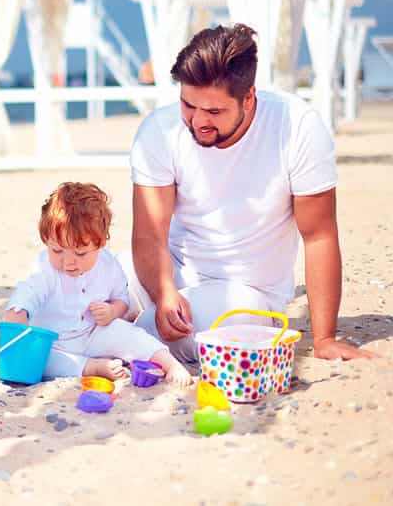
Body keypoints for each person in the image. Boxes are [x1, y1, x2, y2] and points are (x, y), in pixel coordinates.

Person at [127, 23, 376, 363]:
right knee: (78, 282)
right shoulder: (159, 129)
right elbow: (149, 235)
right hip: (167, 273)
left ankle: (119, 334)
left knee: (141, 333)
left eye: (214, 111)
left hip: (246, 297)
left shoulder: (298, 129)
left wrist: (325, 339)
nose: (198, 121)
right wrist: (164, 291)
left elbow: (319, 236)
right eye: (188, 105)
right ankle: (118, 330)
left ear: (249, 97)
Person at [2, 182, 193, 386]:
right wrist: (18, 312)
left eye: (80, 253)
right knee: (40, 359)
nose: (68, 262)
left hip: (93, 333)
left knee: (128, 333)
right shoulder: (45, 269)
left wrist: (112, 311)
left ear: (100, 243)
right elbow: (29, 290)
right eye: (57, 250)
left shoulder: (108, 265)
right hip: (54, 343)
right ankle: (93, 367)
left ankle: (169, 363)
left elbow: (122, 300)